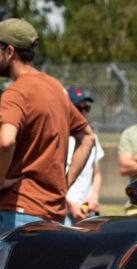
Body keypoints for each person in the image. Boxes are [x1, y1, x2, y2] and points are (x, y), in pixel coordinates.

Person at [0, 18, 94, 233]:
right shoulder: (56, 87)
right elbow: (87, 137)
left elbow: (5, 141)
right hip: (53, 214)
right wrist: (63, 185)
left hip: (16, 211)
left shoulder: (16, 92)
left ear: (10, 51)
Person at [65, 87, 104, 225]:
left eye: (86, 108)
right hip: (65, 213)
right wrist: (71, 204)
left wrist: (94, 196)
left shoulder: (91, 137)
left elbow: (97, 174)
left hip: (88, 212)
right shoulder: (61, 138)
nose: (83, 112)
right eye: (78, 108)